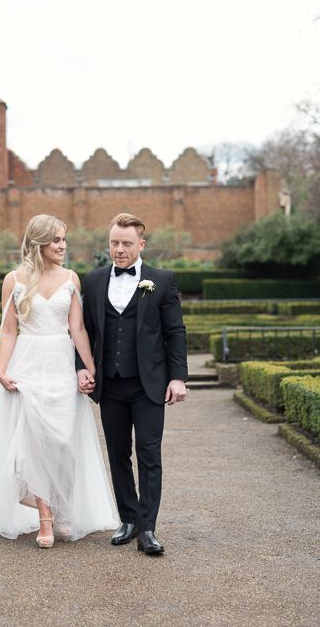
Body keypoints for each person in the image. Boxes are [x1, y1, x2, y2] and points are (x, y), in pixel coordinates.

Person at [0, 214, 119, 548]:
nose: (62, 246)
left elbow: (78, 329)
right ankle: (45, 518)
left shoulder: (71, 278)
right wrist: (1, 370)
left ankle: (62, 507)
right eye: (56, 240)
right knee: (34, 441)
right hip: (27, 364)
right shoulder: (13, 280)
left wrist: (90, 368)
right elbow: (8, 330)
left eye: (64, 240)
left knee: (62, 442)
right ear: (39, 242)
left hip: (61, 363)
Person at [76, 212, 188, 555]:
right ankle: (128, 519)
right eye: (114, 243)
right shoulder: (92, 281)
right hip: (110, 384)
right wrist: (82, 367)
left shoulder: (162, 280)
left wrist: (178, 377)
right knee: (118, 453)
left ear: (141, 244)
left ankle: (149, 528)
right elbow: (84, 332)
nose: (119, 250)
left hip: (149, 384)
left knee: (149, 454)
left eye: (126, 243)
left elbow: (175, 332)